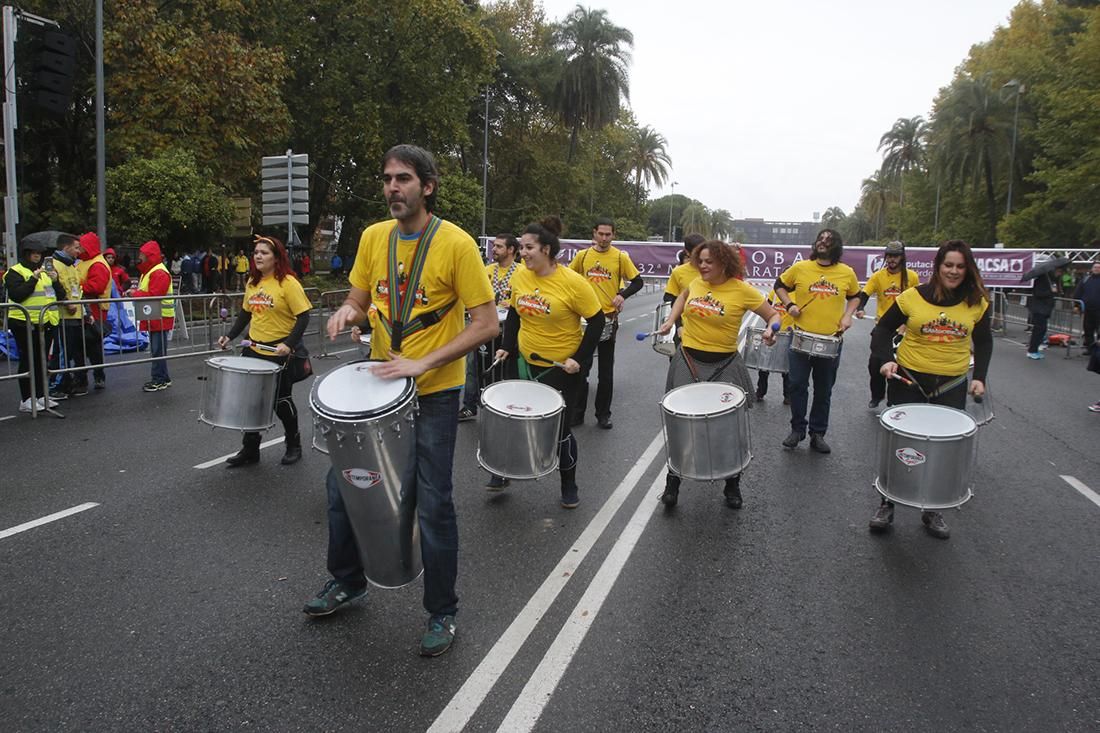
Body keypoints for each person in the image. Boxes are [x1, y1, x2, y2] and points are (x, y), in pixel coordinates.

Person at [313, 144, 497, 658]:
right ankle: (347, 581)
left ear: (427, 186)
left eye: (404, 179)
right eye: (388, 178)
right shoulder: (374, 237)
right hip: (380, 389)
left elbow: (487, 324)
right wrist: (349, 312)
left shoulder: (456, 245)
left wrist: (424, 363)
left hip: (434, 394)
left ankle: (442, 611)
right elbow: (359, 297)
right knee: (342, 487)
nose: (393, 187)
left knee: (433, 500)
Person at [868, 240, 992, 540]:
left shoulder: (977, 302)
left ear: (968, 269)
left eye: (960, 266)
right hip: (909, 380)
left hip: (951, 384)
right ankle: (887, 503)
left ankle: (933, 509)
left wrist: (981, 378)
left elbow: (985, 341)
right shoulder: (913, 297)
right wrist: (886, 360)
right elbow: (882, 331)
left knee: (943, 452)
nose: (953, 271)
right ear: (938, 266)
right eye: (948, 265)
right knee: (900, 447)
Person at [654, 240, 780, 508]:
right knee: (681, 424)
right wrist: (669, 320)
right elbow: (683, 296)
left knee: (728, 428)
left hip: (725, 365)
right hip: (688, 360)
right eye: (700, 260)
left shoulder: (742, 290)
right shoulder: (697, 283)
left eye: (709, 262)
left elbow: (773, 315)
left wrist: (772, 329)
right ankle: (673, 482)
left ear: (725, 263)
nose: (703, 265)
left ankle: (732, 484)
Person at [493, 218, 603, 507]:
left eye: (529, 247)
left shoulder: (573, 283)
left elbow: (596, 321)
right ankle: (502, 471)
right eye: (521, 246)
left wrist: (578, 359)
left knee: (559, 431)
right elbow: (516, 312)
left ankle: (569, 484)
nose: (523, 251)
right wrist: (506, 347)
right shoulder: (520, 276)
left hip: (561, 369)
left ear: (546, 249)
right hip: (524, 362)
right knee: (513, 418)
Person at [217, 235, 310, 466]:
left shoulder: (288, 283)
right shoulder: (252, 282)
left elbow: (304, 316)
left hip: (279, 352)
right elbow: (246, 313)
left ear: (276, 257)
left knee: (281, 401)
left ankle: (293, 444)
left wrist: (288, 344)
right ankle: (250, 449)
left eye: (264, 252)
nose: (258, 256)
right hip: (254, 349)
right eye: (256, 252)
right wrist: (230, 336)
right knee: (250, 402)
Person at [773, 228, 860, 453]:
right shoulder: (801, 268)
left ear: (837, 246)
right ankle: (797, 430)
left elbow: (855, 296)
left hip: (831, 340)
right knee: (797, 385)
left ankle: (817, 433)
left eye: (828, 240)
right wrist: (789, 305)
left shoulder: (846, 272)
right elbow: (779, 285)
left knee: (824, 390)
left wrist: (848, 315)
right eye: (820, 239)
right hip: (800, 336)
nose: (822, 242)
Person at [568, 218, 644, 429]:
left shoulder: (620, 257)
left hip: (608, 319)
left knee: (605, 372)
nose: (604, 238)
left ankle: (603, 414)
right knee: (581, 368)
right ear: (594, 233)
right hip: (584, 320)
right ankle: (577, 413)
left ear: (613, 235)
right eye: (600, 234)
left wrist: (622, 295)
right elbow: (568, 279)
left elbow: (638, 281)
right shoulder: (582, 256)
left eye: (608, 234)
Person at [460, 232, 520, 424]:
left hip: (507, 329)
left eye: (499, 246)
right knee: (473, 365)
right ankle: (470, 405)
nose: (494, 249)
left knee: (505, 369)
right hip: (482, 326)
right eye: (494, 246)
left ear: (511, 250)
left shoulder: (522, 273)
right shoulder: (486, 270)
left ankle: (505, 407)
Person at [856, 241, 921, 408]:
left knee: (900, 367)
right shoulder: (878, 276)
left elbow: (919, 300)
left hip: (905, 329)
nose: (892, 259)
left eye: (896, 256)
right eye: (889, 256)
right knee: (875, 364)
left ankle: (894, 399)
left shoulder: (912, 277)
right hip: (883, 329)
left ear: (902, 257)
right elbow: (865, 293)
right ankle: (877, 395)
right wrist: (861, 308)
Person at [4, 235, 63, 412]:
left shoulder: (45, 272)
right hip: (24, 322)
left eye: (39, 253)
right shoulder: (15, 272)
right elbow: (17, 295)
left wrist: (55, 280)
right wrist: (33, 279)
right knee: (28, 360)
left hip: (46, 322)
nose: (37, 256)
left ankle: (40, 395)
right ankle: (27, 398)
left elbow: (60, 296)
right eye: (34, 253)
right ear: (26, 254)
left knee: (42, 361)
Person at [129, 241, 175, 392]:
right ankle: (163, 378)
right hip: (156, 315)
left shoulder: (158, 272)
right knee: (158, 350)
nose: (139, 257)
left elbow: (155, 295)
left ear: (149, 256)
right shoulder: (152, 271)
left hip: (160, 316)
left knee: (157, 350)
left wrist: (135, 294)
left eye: (142, 255)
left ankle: (159, 379)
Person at [50, 234, 89, 397]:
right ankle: (56, 386)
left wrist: (85, 311)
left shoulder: (72, 266)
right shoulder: (54, 265)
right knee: (62, 353)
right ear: (66, 248)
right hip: (62, 317)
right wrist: (66, 303)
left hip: (76, 316)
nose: (79, 251)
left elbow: (78, 291)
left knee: (72, 352)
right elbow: (53, 289)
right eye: (76, 247)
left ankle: (68, 383)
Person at [76, 232, 112, 390]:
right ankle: (82, 378)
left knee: (93, 346)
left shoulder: (97, 264)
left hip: (94, 310)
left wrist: (76, 288)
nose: (78, 250)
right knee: (81, 347)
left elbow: (96, 286)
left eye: (81, 247)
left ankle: (98, 376)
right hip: (84, 308)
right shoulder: (85, 262)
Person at [755, 290, 791, 403]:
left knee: (786, 366)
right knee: (764, 364)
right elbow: (767, 309)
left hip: (789, 332)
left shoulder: (799, 292)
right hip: (772, 331)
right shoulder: (774, 293)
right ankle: (760, 392)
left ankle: (788, 395)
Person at [1026, 263, 1059, 359]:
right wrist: (1051, 292)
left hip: (1044, 309)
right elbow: (1038, 293)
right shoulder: (1042, 280)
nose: (1059, 274)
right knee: (1039, 330)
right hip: (1039, 309)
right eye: (1058, 271)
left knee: (1041, 330)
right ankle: (1032, 350)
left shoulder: (1050, 280)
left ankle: (1034, 349)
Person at [663, 233, 705, 304]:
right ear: (687, 252)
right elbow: (669, 298)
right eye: (697, 252)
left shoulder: (714, 270)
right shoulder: (678, 272)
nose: (702, 254)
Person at [1073, 260, 1100, 355]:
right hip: (1087, 310)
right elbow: (1078, 292)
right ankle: (1090, 349)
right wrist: (1076, 305)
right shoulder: (1085, 280)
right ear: (1092, 269)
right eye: (1095, 267)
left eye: (1099, 268)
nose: (1097, 269)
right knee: (1088, 330)